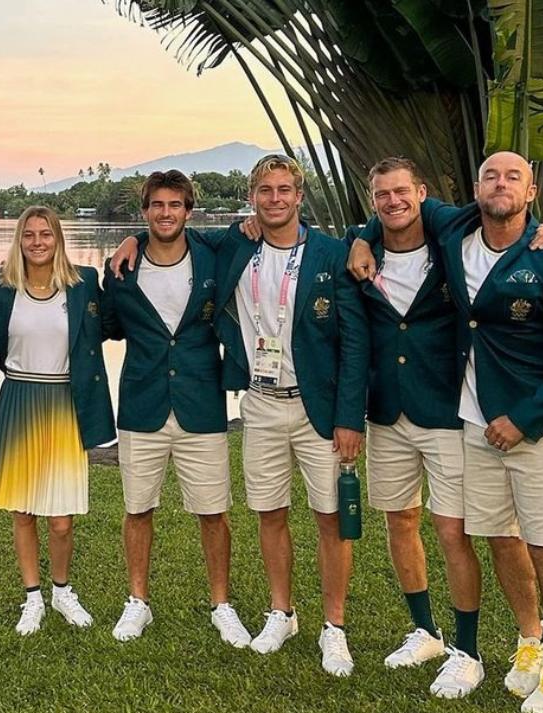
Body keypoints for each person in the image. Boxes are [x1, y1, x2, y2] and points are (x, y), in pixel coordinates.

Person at [349, 151, 543, 713]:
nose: (501, 184)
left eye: (514, 176)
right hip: (477, 424)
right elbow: (391, 211)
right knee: (500, 539)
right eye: (491, 175)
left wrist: (525, 418)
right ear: (474, 189)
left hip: (542, 428)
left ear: (533, 190)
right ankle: (529, 641)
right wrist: (361, 237)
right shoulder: (457, 235)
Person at [112, 157, 368, 673]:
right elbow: (174, 238)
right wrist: (133, 240)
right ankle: (281, 612)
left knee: (330, 518)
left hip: (318, 406)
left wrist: (349, 416)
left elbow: (356, 341)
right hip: (259, 402)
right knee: (269, 513)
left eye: (284, 191)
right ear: (252, 197)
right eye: (265, 191)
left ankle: (333, 626)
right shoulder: (235, 246)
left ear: (300, 196)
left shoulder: (332, 253)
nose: (274, 200)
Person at [100, 170, 250, 648]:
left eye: (175, 205)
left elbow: (264, 225)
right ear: (145, 211)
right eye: (157, 205)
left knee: (214, 511)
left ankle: (222, 605)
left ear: (188, 210)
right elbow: (107, 325)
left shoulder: (212, 254)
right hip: (142, 403)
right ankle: (138, 601)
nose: (166, 213)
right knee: (138, 508)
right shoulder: (121, 269)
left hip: (201, 403)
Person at [0, 206, 115, 636]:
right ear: (19, 240)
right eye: (29, 235)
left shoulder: (82, 284)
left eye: (46, 235)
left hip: (64, 401)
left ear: (58, 239)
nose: (38, 242)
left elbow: (107, 327)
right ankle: (32, 596)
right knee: (23, 511)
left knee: (61, 516)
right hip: (19, 396)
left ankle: (62, 590)